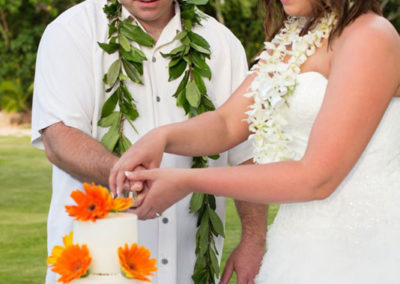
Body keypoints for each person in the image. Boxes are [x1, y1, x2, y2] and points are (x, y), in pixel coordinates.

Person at [110, 0, 400, 283]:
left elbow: (317, 178)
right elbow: (225, 124)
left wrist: (187, 181)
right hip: (298, 244)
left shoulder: (370, 36)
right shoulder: (297, 36)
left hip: (359, 250)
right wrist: (161, 137)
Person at [31, 0, 268, 283]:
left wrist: (253, 239)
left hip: (191, 266)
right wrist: (131, 179)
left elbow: (247, 152)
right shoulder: (71, 31)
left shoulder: (220, 42)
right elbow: (59, 140)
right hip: (96, 265)